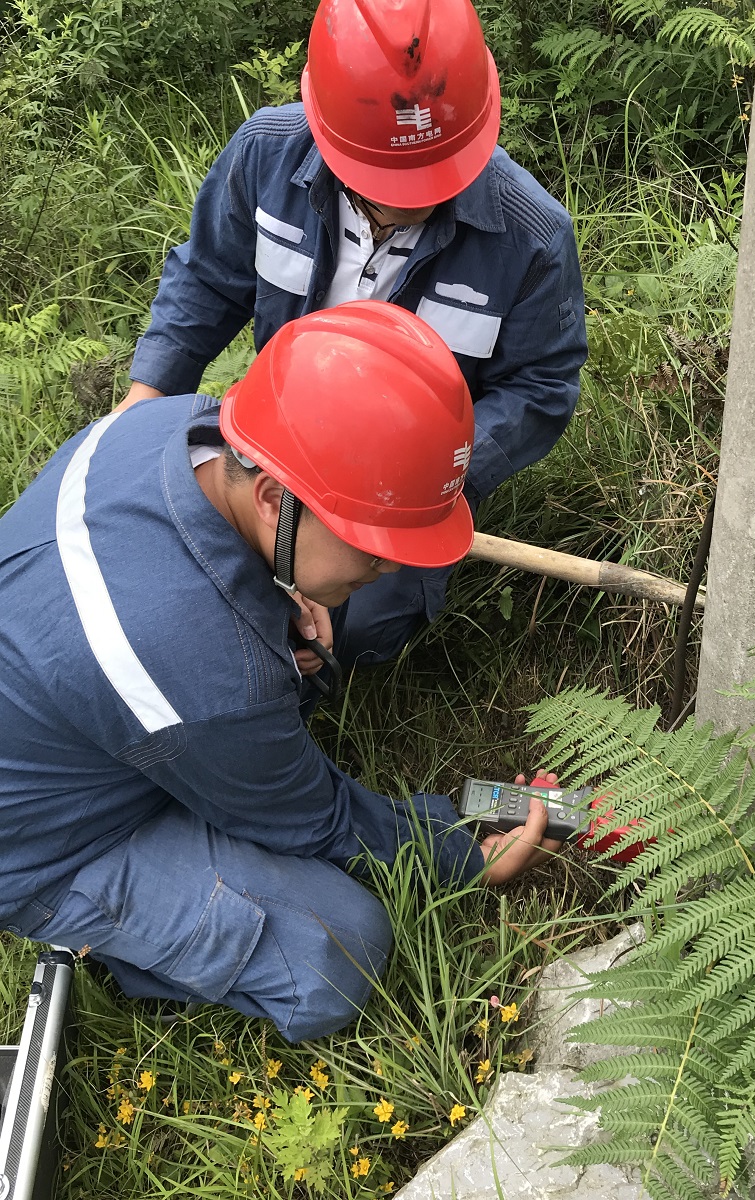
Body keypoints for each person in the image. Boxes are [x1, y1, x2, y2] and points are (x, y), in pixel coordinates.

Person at [0, 302, 560, 1043]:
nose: (389, 566)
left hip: (83, 707)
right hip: (41, 847)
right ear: (273, 500)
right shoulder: (207, 669)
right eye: (373, 546)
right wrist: (456, 855)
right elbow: (314, 818)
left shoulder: (175, 426)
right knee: (337, 950)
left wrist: (282, 591)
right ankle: (98, 938)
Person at [119, 0, 587, 669]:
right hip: (273, 442)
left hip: (406, 492)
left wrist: (437, 477)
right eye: (380, 186)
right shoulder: (264, 157)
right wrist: (147, 399)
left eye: (428, 183)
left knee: (357, 629)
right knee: (195, 584)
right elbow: (208, 279)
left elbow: (541, 386)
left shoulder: (532, 240)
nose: (405, 202)